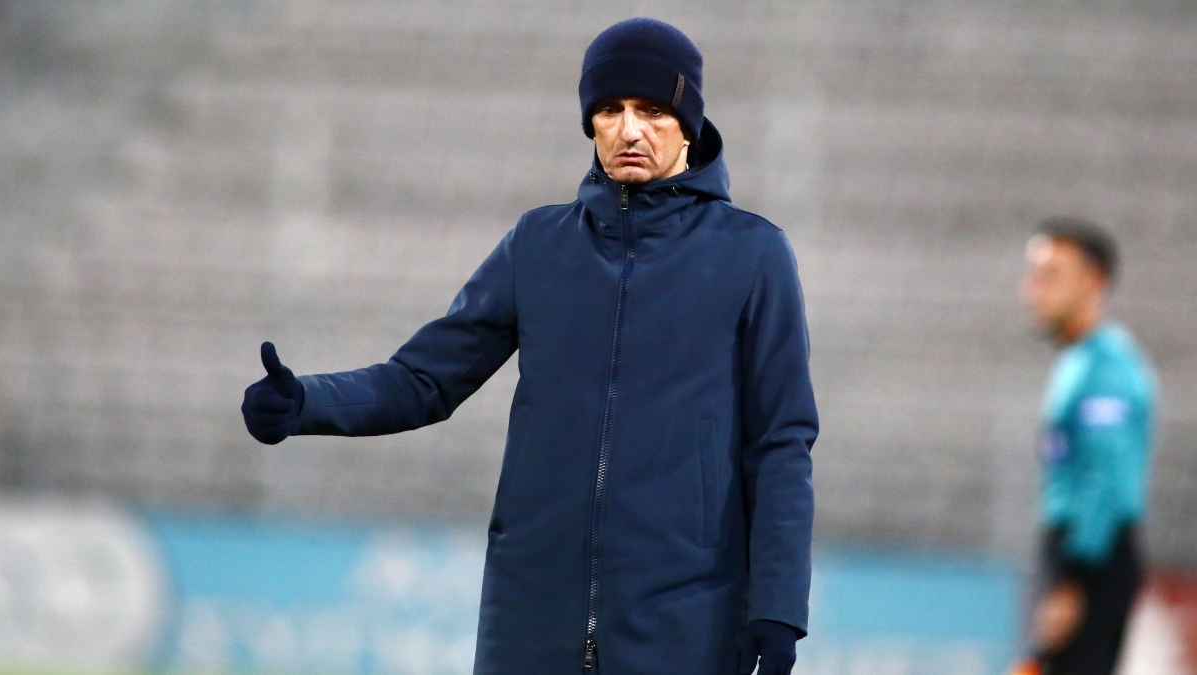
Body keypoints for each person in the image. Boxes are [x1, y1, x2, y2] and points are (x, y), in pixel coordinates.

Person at [240, 18, 817, 675]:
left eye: (653, 110)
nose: (630, 130)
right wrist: (305, 401)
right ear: (590, 122)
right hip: (530, 622)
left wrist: (778, 610)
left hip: (685, 627)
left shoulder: (754, 255)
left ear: (688, 124)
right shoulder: (537, 245)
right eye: (610, 109)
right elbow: (423, 380)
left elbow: (781, 444)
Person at [1018, 217, 1157, 675]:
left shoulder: (1107, 368)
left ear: (1094, 282)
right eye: (1034, 274)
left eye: (1052, 275)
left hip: (1092, 558)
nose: (1035, 288)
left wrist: (1071, 579)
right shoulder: (1079, 359)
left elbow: (1104, 475)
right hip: (1078, 553)